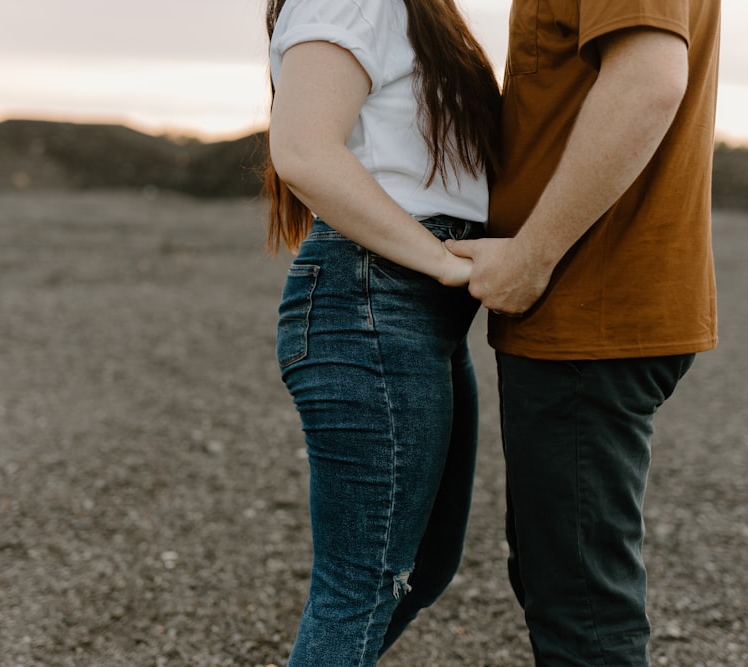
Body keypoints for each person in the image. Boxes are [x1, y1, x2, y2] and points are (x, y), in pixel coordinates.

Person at [446, 1, 722, 665]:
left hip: (587, 304)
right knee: (559, 576)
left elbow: (648, 82)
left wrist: (532, 254)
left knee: (583, 613)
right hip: (585, 308)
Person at [262, 0, 500, 664]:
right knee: (361, 586)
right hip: (374, 298)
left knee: (423, 566)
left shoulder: (417, 10)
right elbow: (304, 150)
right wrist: (436, 260)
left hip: (413, 310)